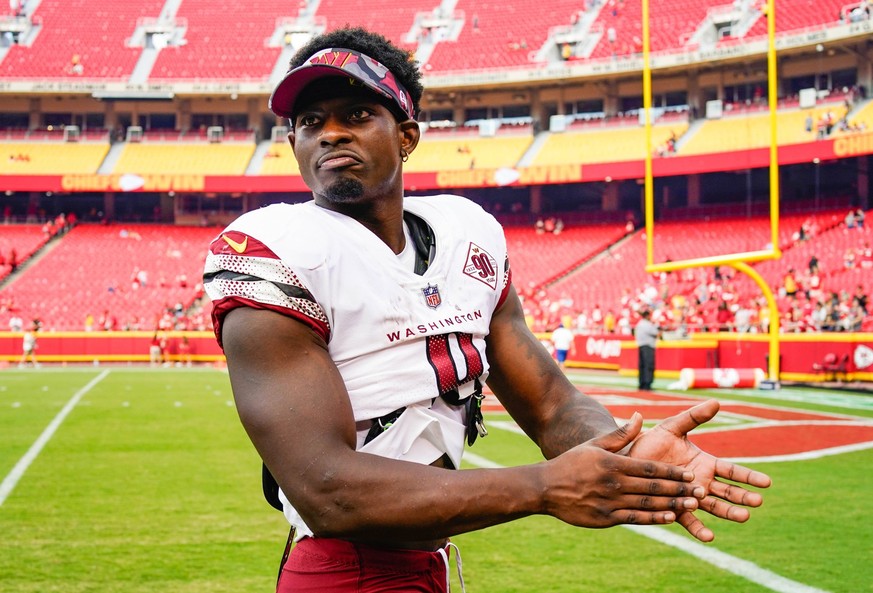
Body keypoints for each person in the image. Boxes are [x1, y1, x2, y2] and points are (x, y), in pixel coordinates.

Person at [203, 27, 770, 593]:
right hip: (343, 570)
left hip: (430, 562)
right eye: (309, 122)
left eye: (355, 114)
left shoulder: (465, 233)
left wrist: (626, 448)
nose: (329, 134)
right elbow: (328, 490)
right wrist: (545, 487)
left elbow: (551, 404)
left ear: (406, 136)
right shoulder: (272, 248)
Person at [634, 309, 660, 390]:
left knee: (642, 366)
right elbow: (656, 333)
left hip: (641, 345)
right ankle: (647, 384)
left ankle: (641, 383)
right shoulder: (647, 324)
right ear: (648, 316)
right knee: (648, 366)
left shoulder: (639, 324)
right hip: (648, 346)